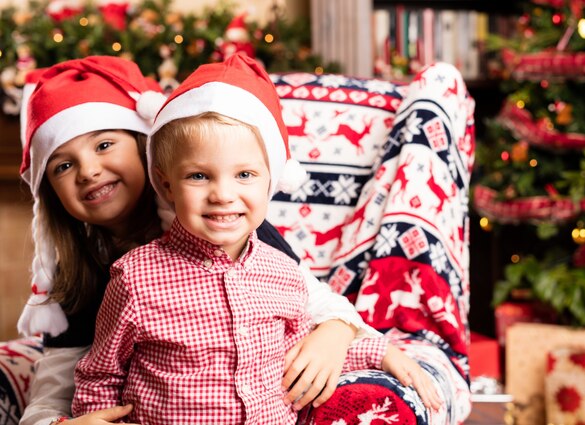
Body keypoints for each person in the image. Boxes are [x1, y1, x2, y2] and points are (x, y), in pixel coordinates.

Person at [17, 55, 440, 425]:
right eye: (62, 166)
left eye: (105, 144)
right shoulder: (95, 269)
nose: (88, 170)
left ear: (147, 152)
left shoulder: (236, 229)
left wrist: (337, 330)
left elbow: (310, 300)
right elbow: (68, 371)